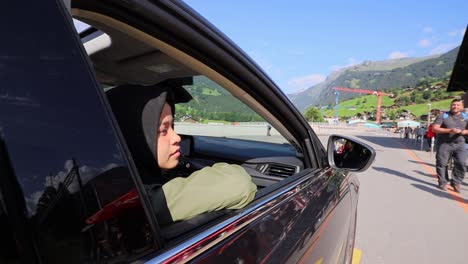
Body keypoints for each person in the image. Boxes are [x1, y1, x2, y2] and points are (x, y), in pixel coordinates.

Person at [107, 82, 257, 223]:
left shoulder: (111, 178)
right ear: (131, 136)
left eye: (172, 126)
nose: (177, 137)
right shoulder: (140, 200)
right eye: (163, 130)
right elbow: (238, 183)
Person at [432, 99, 468, 192]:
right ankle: (443, 182)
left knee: (461, 163)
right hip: (444, 143)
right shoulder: (443, 116)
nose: (455, 106)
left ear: (462, 107)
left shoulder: (466, 117)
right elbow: (435, 128)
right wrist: (450, 130)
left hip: (460, 144)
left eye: (458, 105)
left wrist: (465, 131)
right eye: (453, 104)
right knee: (442, 163)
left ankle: (456, 182)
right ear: (451, 106)